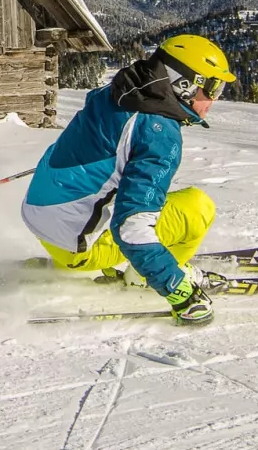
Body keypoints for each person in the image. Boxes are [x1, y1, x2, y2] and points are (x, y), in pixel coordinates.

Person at [20, 34, 235, 326]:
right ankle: (143, 277)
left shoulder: (117, 92)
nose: (214, 99)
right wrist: (179, 291)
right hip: (77, 246)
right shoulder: (159, 133)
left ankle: (85, 260)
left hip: (42, 217)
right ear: (185, 84)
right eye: (212, 87)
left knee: (138, 198)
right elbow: (131, 228)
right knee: (197, 207)